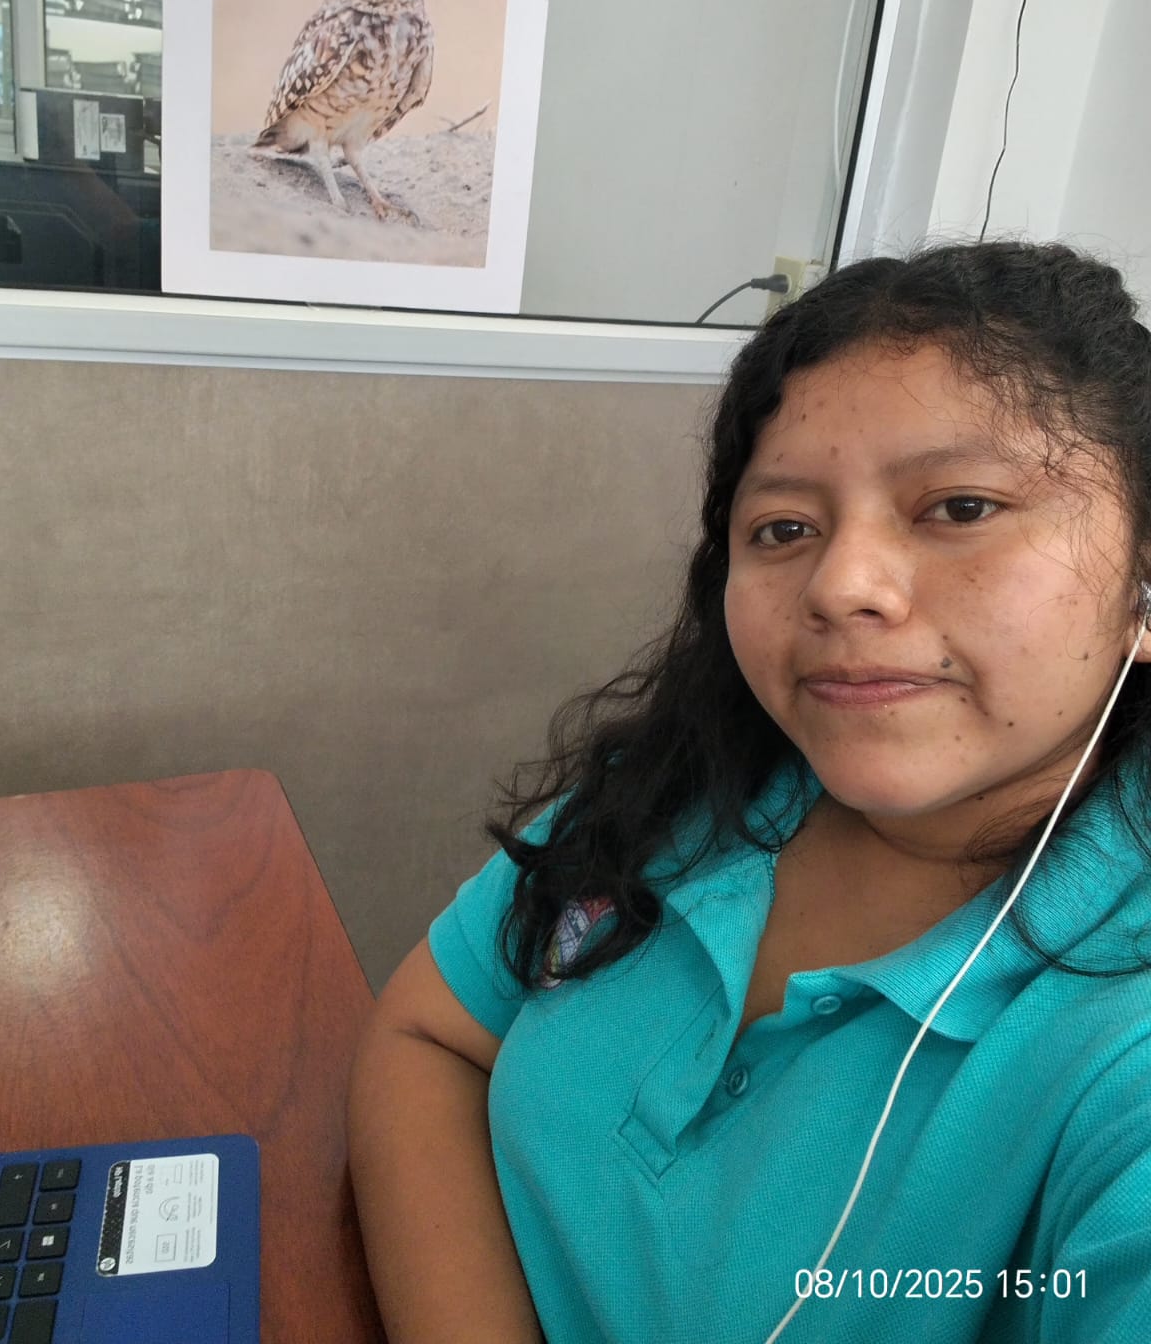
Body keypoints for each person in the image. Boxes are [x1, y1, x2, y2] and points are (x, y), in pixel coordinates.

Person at [346, 239, 1151, 1344]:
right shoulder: (691, 791)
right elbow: (430, 1035)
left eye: (960, 507)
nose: (840, 585)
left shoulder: (1119, 1053)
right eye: (784, 528)